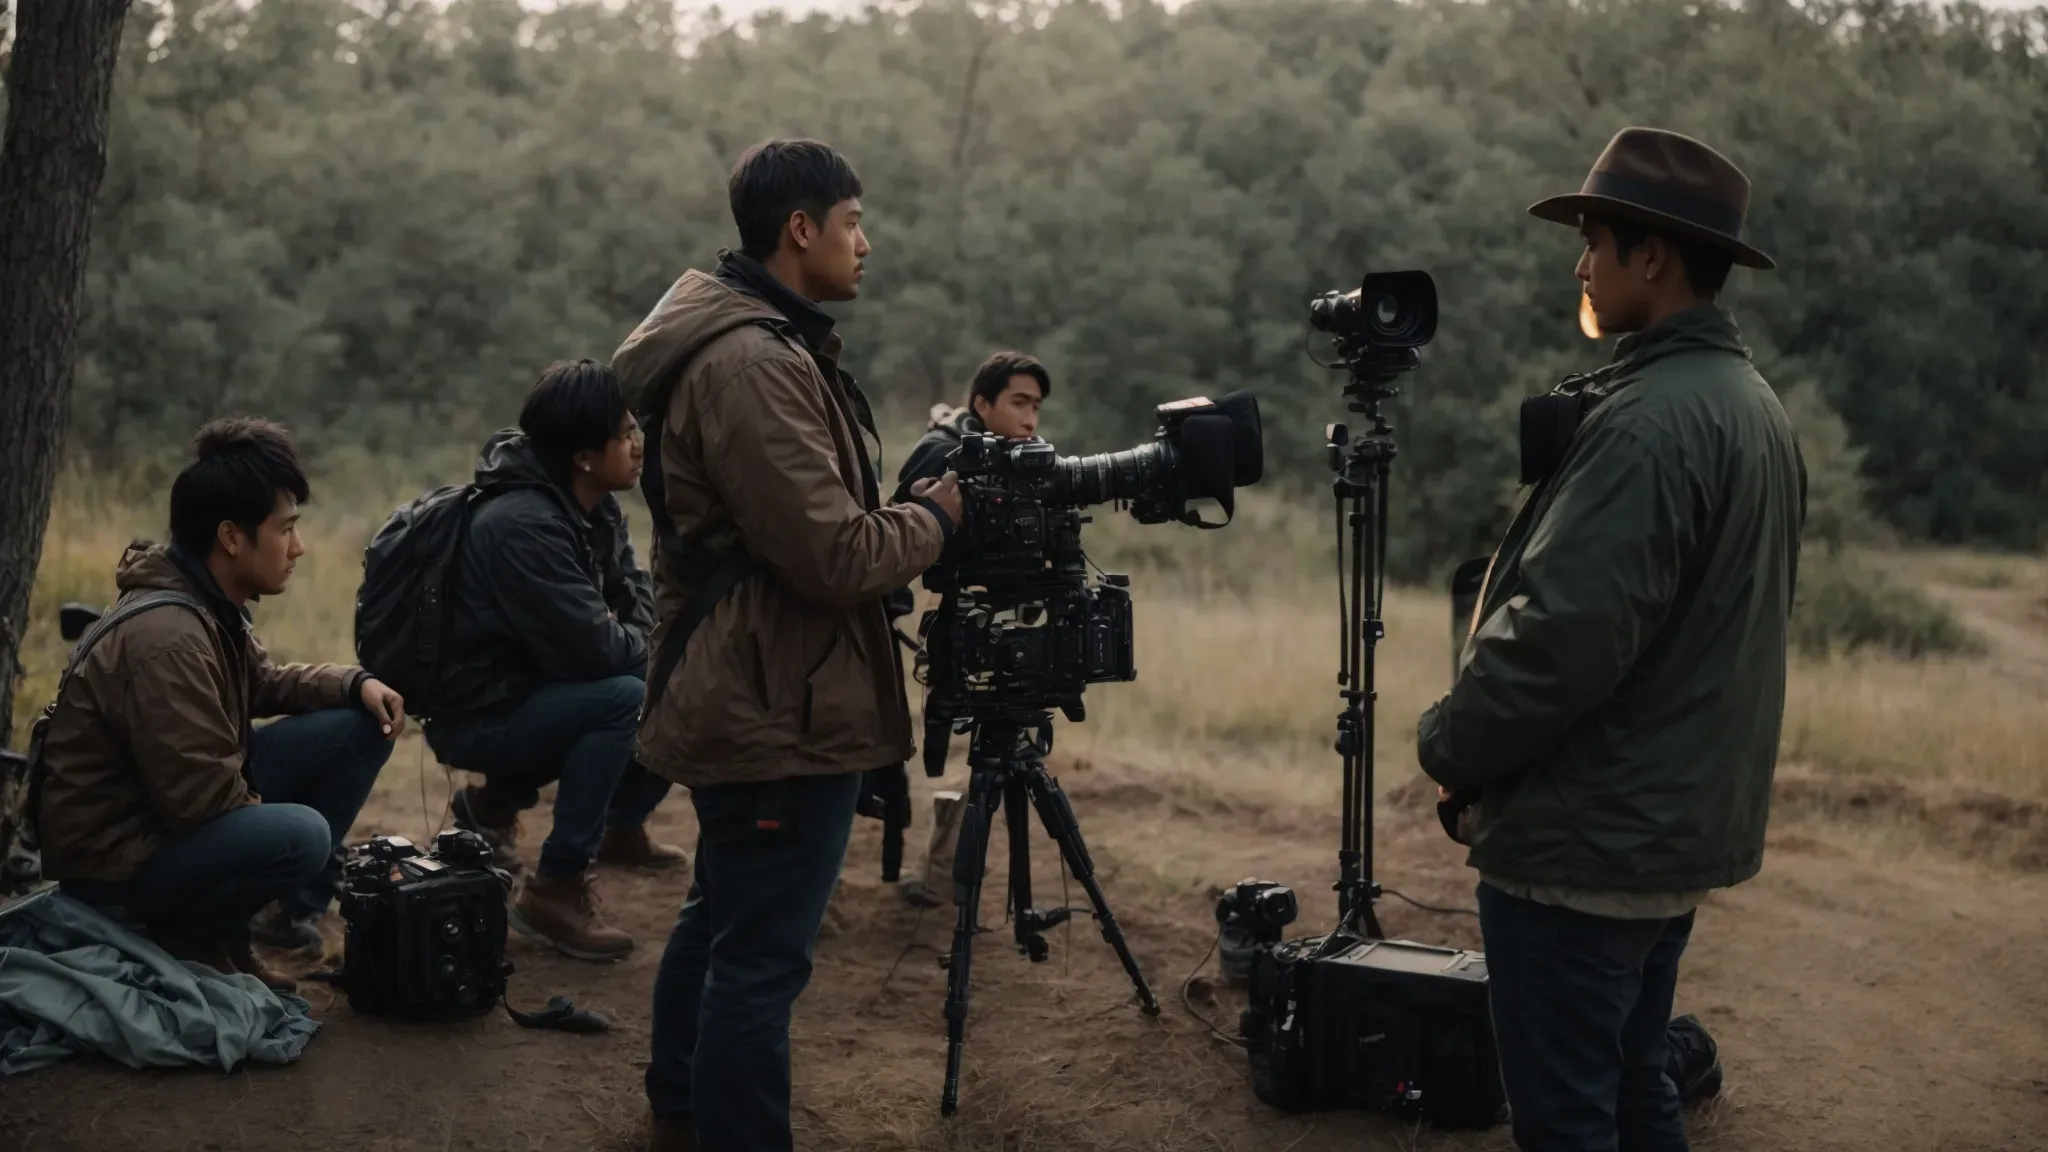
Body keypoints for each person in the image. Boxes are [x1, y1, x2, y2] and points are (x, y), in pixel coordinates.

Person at [1415, 126, 1806, 1152]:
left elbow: (1559, 643)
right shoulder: (1749, 407)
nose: (1579, 264)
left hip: (1587, 845)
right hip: (1658, 832)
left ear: (1652, 258)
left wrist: (1449, 747)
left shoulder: (1648, 423)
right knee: (1634, 1092)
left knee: (1566, 1120)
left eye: (1593, 240)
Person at [611, 137, 963, 1152]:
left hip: (756, 681)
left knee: (721, 912)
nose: (867, 242)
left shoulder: (763, 343)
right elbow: (829, 554)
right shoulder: (752, 363)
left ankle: (678, 1100)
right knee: (759, 964)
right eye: (852, 221)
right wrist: (936, 521)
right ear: (798, 230)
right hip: (770, 697)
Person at [36, 418, 402, 992]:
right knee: (301, 835)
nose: (298, 548)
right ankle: (195, 936)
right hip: (118, 870)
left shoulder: (204, 603)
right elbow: (202, 804)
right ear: (231, 538)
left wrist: (355, 683)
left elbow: (260, 682)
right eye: (286, 530)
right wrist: (277, 827)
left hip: (160, 822)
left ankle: (247, 926)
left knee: (359, 724)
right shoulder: (169, 635)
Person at [420, 359, 681, 963]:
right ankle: (555, 887)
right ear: (584, 455)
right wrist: (636, 633)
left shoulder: (591, 504)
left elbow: (632, 594)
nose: (638, 444)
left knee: (666, 668)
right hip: (479, 717)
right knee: (629, 694)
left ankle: (594, 821)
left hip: (526, 692)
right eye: (624, 434)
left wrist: (632, 630)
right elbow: (599, 648)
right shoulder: (524, 526)